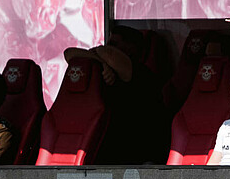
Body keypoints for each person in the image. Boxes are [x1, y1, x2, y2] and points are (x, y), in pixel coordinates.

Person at [63, 25, 169, 164]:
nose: (106, 46)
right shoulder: (108, 71)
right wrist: (102, 65)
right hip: (111, 155)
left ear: (130, 49)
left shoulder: (142, 74)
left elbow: (108, 54)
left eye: (114, 44)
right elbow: (69, 53)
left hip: (139, 159)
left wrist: (101, 60)